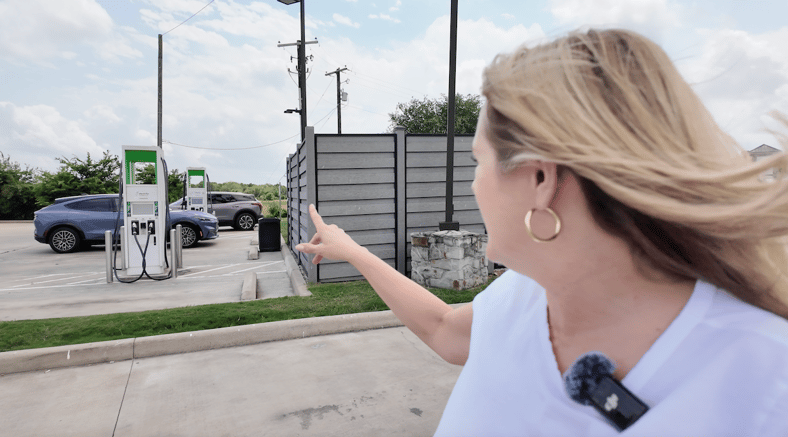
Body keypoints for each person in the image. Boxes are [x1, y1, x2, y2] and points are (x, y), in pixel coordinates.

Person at [296, 28, 788, 436]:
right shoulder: (528, 294)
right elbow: (445, 329)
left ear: (539, 179)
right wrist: (354, 251)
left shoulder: (765, 381)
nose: (473, 185)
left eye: (478, 162)